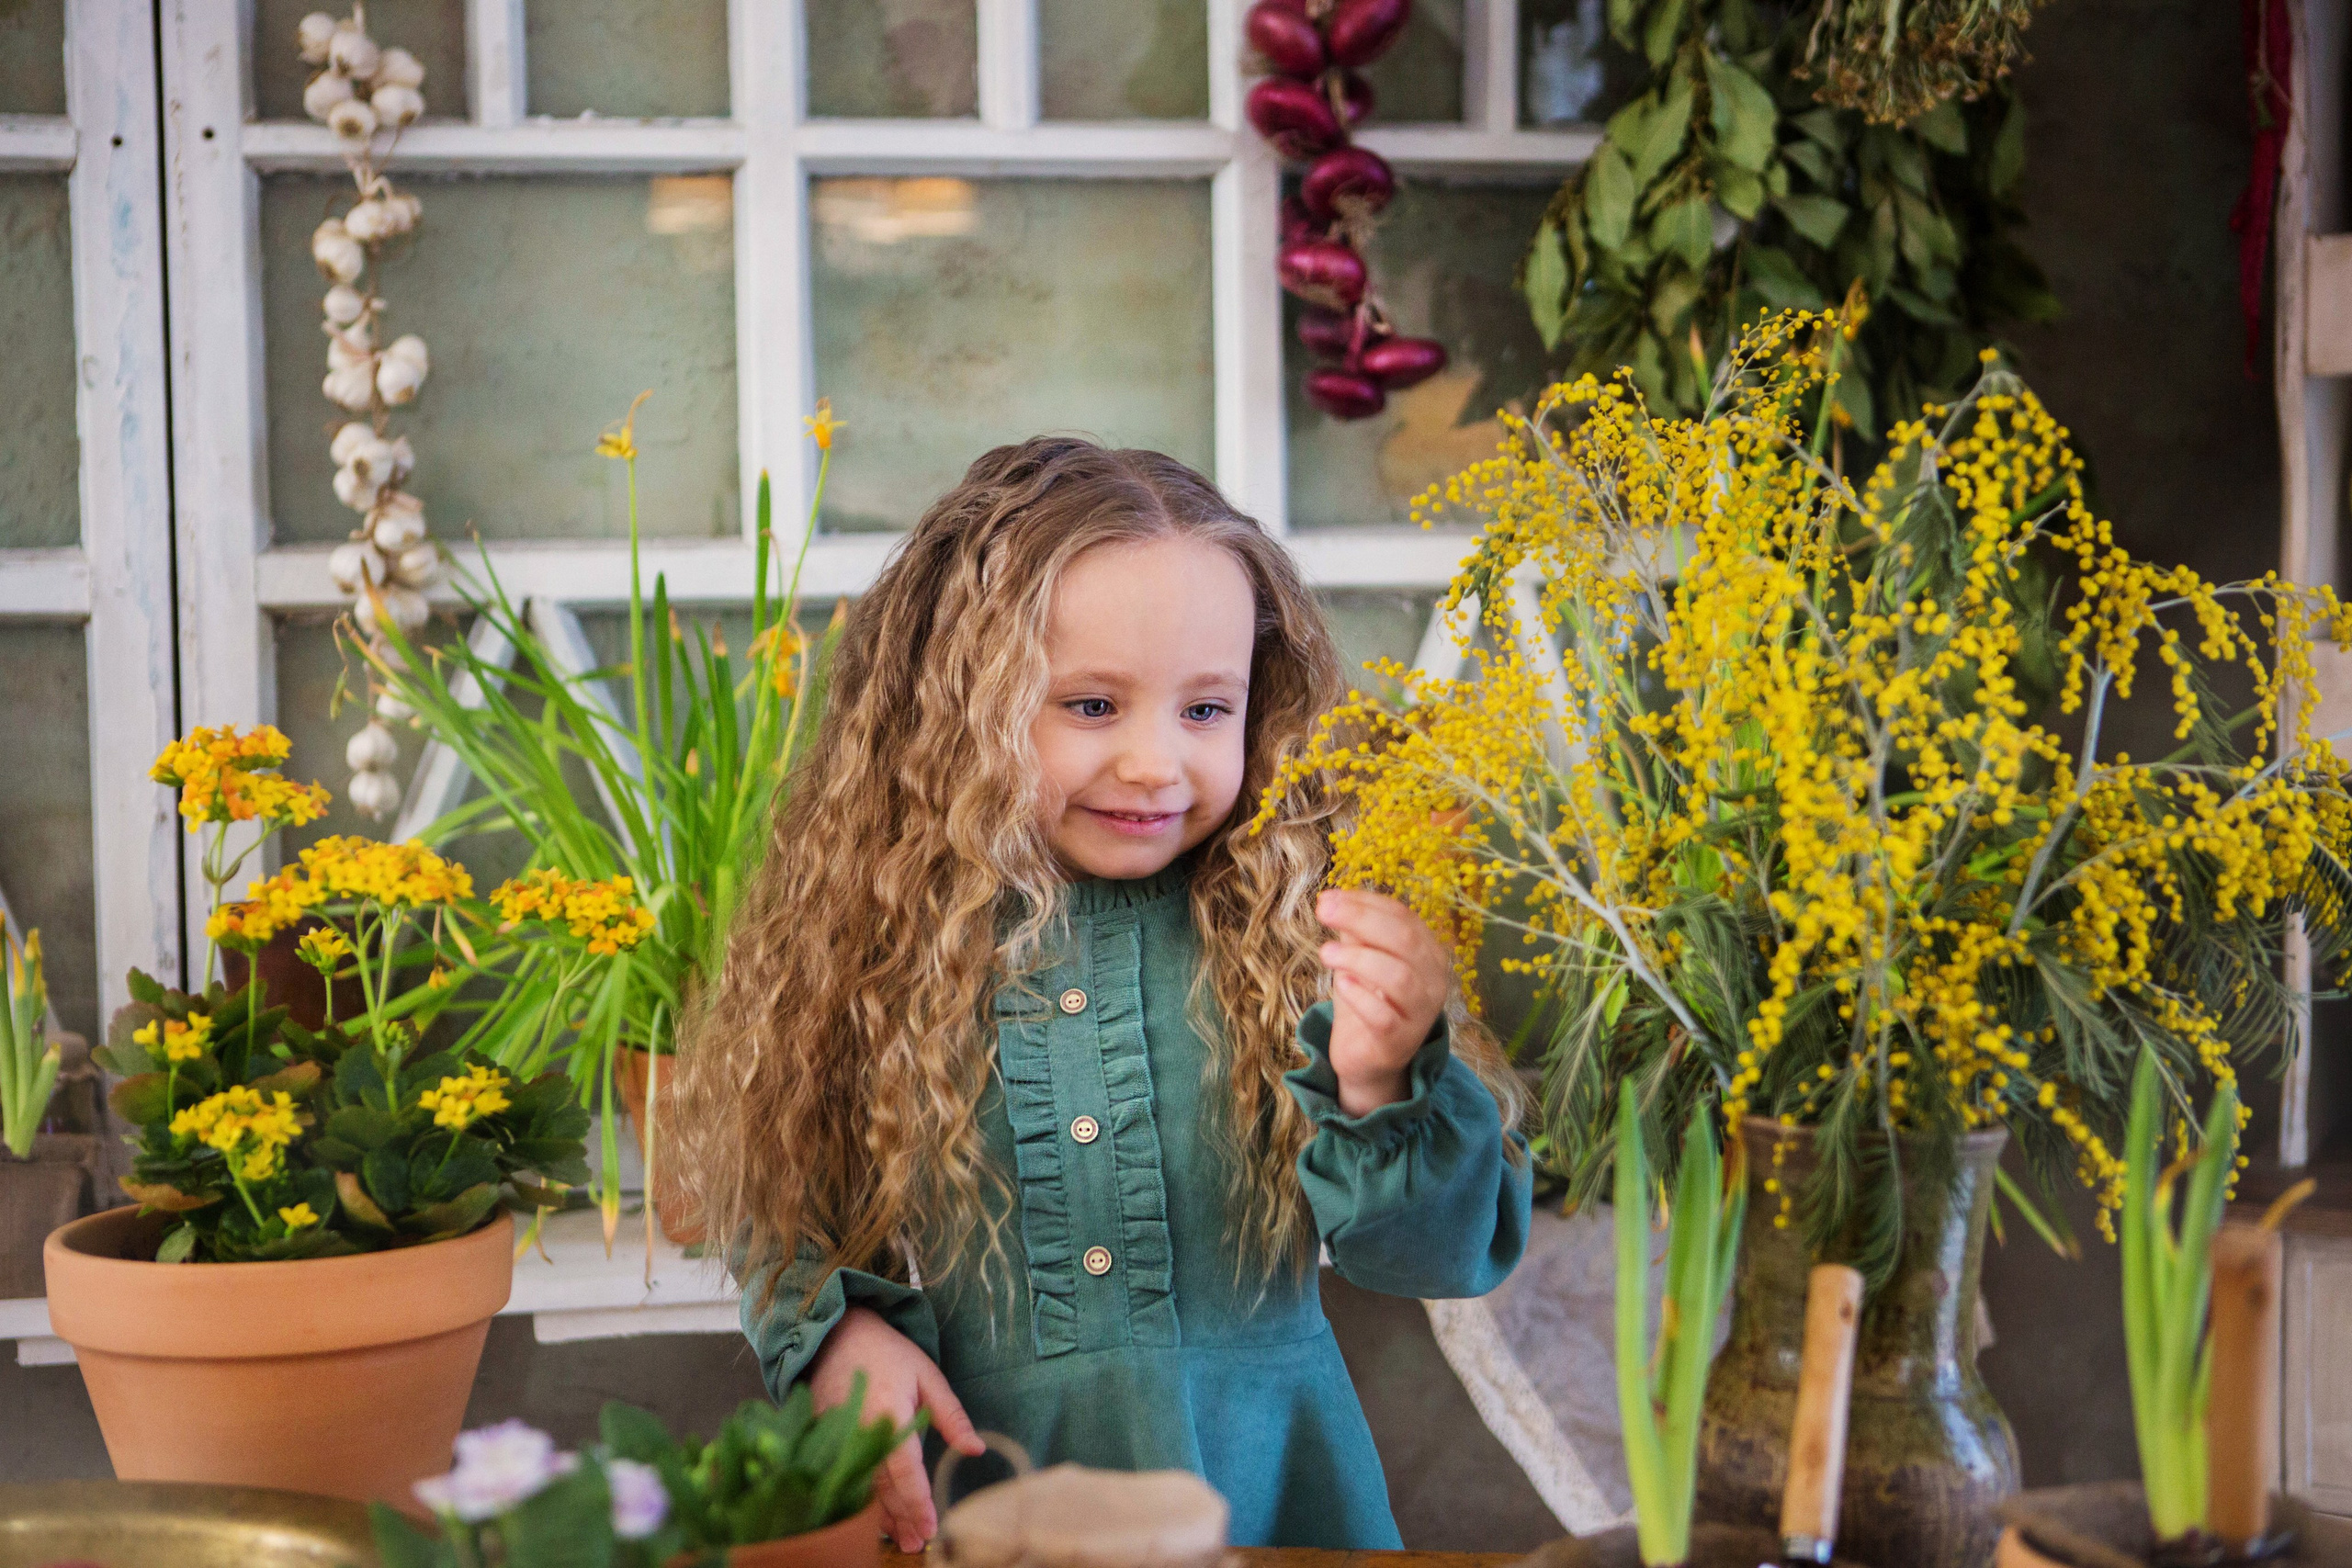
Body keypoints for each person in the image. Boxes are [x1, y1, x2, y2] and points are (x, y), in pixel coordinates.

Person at [677, 436, 1532, 1551]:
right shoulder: (881, 944)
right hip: (996, 1492)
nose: (1153, 764)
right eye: (1089, 706)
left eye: (1205, 711)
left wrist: (1378, 1081)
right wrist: (839, 1335)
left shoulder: (1291, 933)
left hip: (1270, 1500)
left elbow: (1432, 1259)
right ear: (954, 709)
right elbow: (788, 1209)